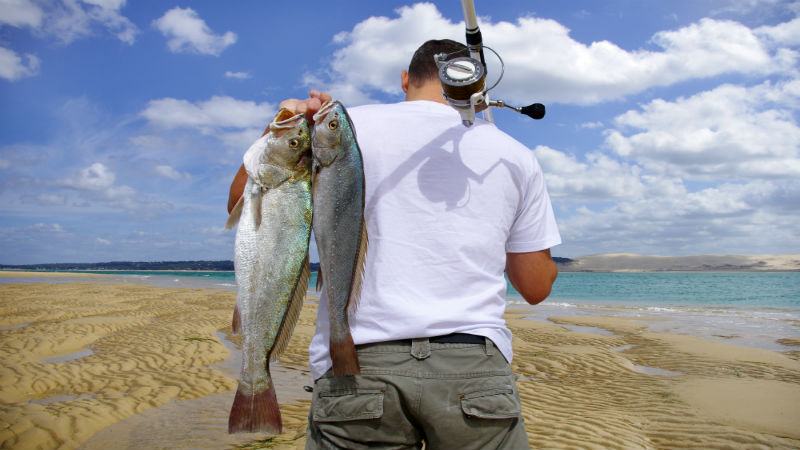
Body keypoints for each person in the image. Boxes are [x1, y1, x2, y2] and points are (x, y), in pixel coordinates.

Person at [228, 39, 560, 450]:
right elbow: (535, 287)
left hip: (356, 364)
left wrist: (282, 120)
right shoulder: (514, 155)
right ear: (477, 89)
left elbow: (244, 201)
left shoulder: (342, 125)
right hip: (473, 368)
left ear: (405, 79)